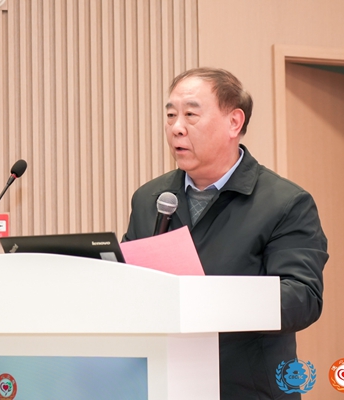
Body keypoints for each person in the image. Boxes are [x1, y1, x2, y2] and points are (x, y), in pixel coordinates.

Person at [123, 67, 328, 399]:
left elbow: (302, 299)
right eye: (171, 115)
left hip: (247, 389)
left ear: (234, 122)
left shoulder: (285, 202)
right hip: (163, 383)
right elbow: (127, 280)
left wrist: (209, 300)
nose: (176, 127)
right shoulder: (151, 198)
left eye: (191, 115)